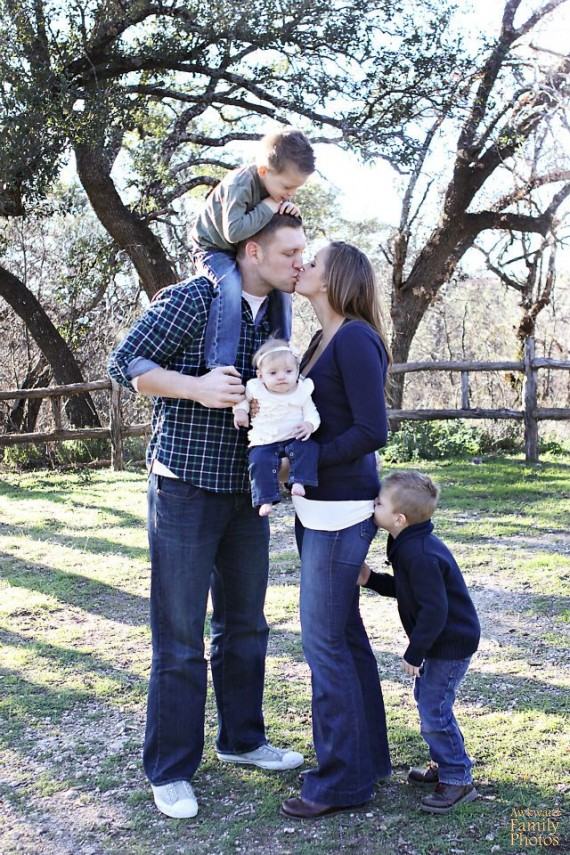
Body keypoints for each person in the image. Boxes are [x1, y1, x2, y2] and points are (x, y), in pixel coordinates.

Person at [107, 214, 306, 820]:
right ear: (252, 250)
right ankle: (169, 770)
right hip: (184, 490)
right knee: (180, 636)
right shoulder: (195, 298)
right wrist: (194, 387)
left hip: (248, 494)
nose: (301, 262)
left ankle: (243, 740)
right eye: (290, 251)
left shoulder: (278, 314)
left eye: (304, 252)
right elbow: (125, 363)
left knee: (245, 626)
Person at [280, 241, 392, 820]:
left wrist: (310, 461)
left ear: (335, 278)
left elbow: (374, 430)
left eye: (313, 262)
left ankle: (341, 781)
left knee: (323, 644)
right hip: (316, 512)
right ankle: (366, 760)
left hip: (343, 513)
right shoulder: (321, 341)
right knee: (343, 637)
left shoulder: (354, 338)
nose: (302, 267)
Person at [359, 470, 480, 814]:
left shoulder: (420, 553)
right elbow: (409, 590)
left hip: (449, 643)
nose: (373, 504)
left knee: (434, 709)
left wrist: (415, 652)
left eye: (379, 502)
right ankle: (445, 762)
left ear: (398, 518)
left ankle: (457, 778)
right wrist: (372, 581)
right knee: (429, 701)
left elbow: (435, 610)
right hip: (440, 640)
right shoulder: (407, 543)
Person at [191, 128, 315, 369]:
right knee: (229, 284)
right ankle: (219, 362)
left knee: (282, 288)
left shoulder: (274, 186)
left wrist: (289, 211)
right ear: (263, 171)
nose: (290, 194)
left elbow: (273, 227)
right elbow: (234, 231)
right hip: (212, 247)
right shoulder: (241, 185)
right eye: (287, 187)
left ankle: (281, 352)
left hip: (242, 247)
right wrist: (270, 205)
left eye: (296, 189)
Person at [233, 338, 321, 516]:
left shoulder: (301, 391)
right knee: (258, 461)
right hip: (265, 439)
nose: (282, 377)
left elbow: (313, 413)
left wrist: (309, 425)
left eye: (288, 371)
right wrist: (240, 412)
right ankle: (265, 499)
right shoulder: (255, 389)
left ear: (297, 371)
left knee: (309, 449)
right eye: (273, 373)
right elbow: (242, 401)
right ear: (260, 375)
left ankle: (299, 481)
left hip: (294, 436)